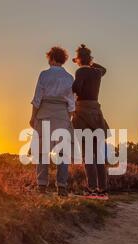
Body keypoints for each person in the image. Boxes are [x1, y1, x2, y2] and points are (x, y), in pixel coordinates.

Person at [30, 46, 75, 196]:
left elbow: (37, 99)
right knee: (62, 152)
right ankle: (61, 186)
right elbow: (71, 103)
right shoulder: (69, 78)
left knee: (42, 151)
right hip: (62, 114)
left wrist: (32, 117)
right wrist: (68, 119)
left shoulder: (44, 75)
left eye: (49, 57)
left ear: (52, 58)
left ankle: (41, 185)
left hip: (44, 113)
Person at [72, 44, 109, 199]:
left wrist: (81, 65)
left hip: (83, 111)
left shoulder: (80, 71)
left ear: (79, 59)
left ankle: (91, 188)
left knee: (88, 154)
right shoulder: (97, 72)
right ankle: (103, 189)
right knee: (99, 154)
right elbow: (104, 69)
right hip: (96, 112)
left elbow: (76, 88)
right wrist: (89, 61)